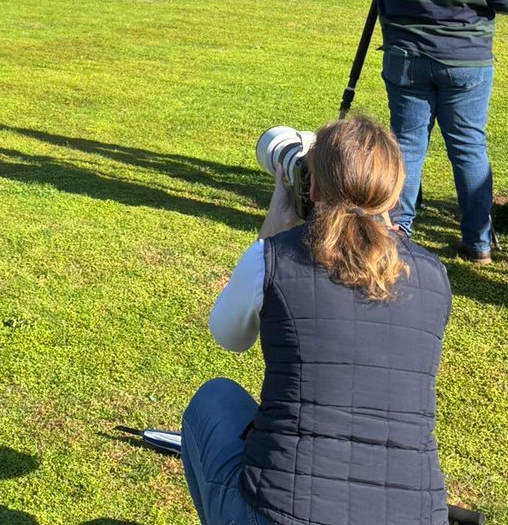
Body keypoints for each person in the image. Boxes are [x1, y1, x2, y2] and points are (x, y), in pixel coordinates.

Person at [182, 116, 451, 525]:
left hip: (286, 512)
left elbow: (228, 335)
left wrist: (274, 226)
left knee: (214, 398)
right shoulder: (434, 276)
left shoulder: (274, 257)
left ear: (311, 186)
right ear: (394, 193)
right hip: (414, 515)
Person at [337, 0, 508, 263]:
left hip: (407, 58)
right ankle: (478, 241)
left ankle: (398, 231)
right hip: (467, 63)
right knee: (469, 147)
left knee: (406, 146)